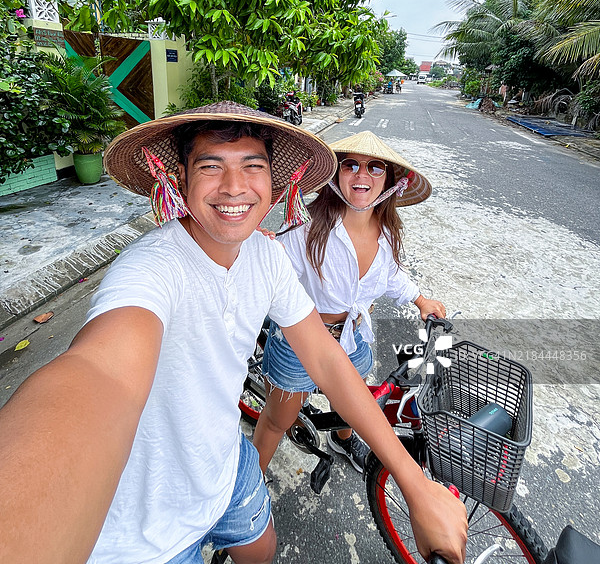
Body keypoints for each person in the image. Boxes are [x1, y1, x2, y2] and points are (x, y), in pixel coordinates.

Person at [0, 104, 466, 564]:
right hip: (146, 532)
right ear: (178, 177)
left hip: (227, 461)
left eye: (252, 166)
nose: (234, 187)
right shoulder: (150, 269)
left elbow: (326, 358)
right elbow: (97, 374)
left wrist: (415, 484)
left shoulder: (266, 256)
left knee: (262, 549)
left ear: (275, 181)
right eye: (210, 166)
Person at [254, 130, 444, 473]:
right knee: (277, 421)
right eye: (350, 165)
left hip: (351, 337)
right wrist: (262, 248)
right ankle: (252, 484)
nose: (361, 175)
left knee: (349, 409)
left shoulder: (387, 233)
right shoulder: (307, 227)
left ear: (389, 180)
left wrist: (420, 300)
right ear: (335, 174)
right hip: (300, 342)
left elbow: (391, 276)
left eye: (375, 167)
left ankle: (341, 440)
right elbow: (275, 270)